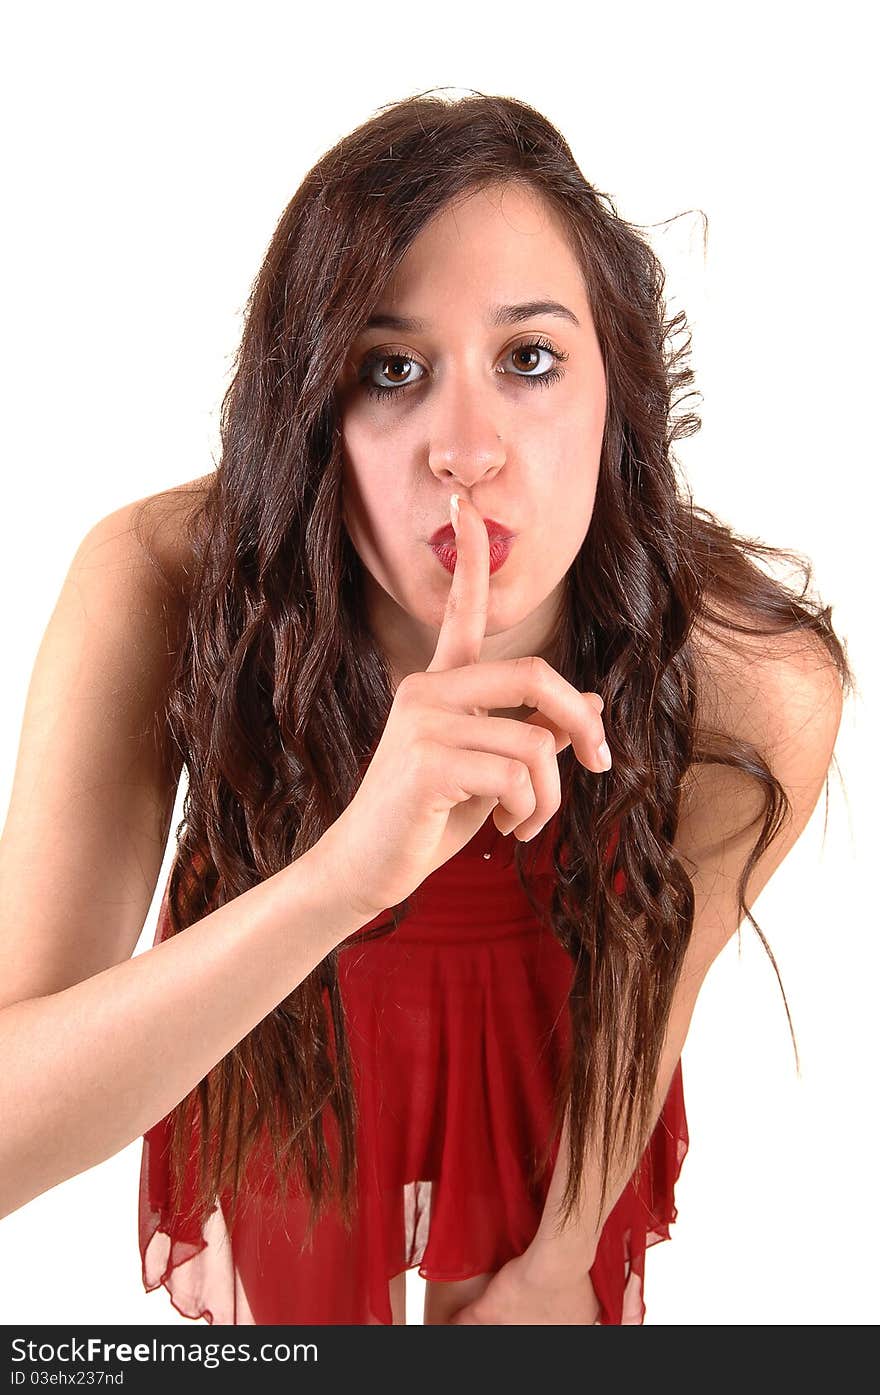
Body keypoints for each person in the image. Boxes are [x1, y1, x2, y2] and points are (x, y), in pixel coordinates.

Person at [0, 89, 852, 1327]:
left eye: (531, 360)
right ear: (309, 417)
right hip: (278, 1055)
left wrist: (554, 1274)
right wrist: (345, 873)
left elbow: (642, 1019)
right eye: (390, 369)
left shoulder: (750, 688)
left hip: (548, 1093)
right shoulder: (162, 582)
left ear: (617, 398)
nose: (466, 447)